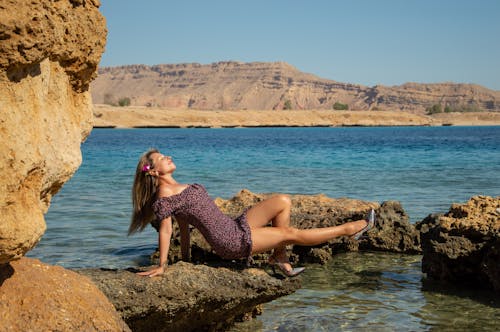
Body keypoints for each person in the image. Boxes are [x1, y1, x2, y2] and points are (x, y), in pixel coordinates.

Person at [129, 149, 376, 278]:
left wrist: (186, 259)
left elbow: (184, 227)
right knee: (289, 233)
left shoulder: (177, 188)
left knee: (282, 201)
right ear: (152, 171)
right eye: (162, 158)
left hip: (233, 226)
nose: (168, 157)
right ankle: (351, 229)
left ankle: (279, 258)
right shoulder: (164, 198)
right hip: (230, 241)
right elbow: (167, 229)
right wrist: (162, 265)